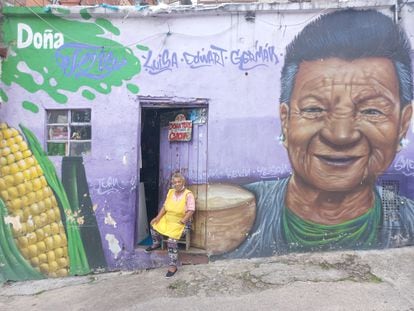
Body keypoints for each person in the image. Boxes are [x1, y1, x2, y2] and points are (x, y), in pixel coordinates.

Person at [224, 9, 414, 259]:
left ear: (402, 123)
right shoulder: (236, 214)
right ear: (285, 120)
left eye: (371, 110)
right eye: (314, 109)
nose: (340, 135)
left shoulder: (408, 221)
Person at [144, 172, 195, 278]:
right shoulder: (171, 192)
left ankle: (173, 265)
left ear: (183, 182)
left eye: (179, 181)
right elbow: (164, 207)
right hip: (168, 219)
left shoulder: (188, 194)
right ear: (172, 183)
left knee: (172, 241)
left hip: (181, 222)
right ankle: (156, 243)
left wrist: (183, 221)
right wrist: (158, 217)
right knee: (153, 224)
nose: (177, 184)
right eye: (175, 182)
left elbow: (191, 210)